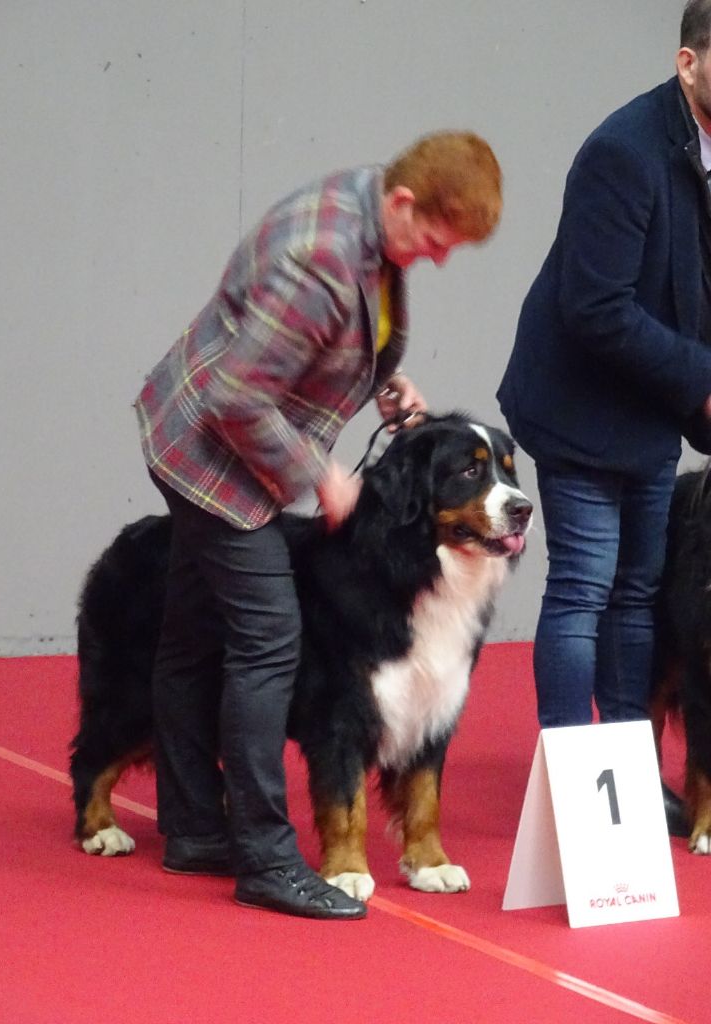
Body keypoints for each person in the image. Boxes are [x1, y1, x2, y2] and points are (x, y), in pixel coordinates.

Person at [134, 131, 503, 918]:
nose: (438, 258)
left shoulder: (371, 206)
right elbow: (236, 398)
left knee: (193, 636)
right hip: (208, 455)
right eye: (436, 240)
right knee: (270, 636)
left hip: (218, 437)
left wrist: (382, 379)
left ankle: (196, 828)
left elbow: (318, 341)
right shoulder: (319, 260)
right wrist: (321, 478)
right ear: (404, 202)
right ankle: (268, 857)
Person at [497, 0, 711, 836]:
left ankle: (622, 776)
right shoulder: (622, 152)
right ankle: (570, 784)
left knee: (637, 596)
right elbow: (595, 308)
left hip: (651, 409)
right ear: (687, 63)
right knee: (585, 590)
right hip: (581, 406)